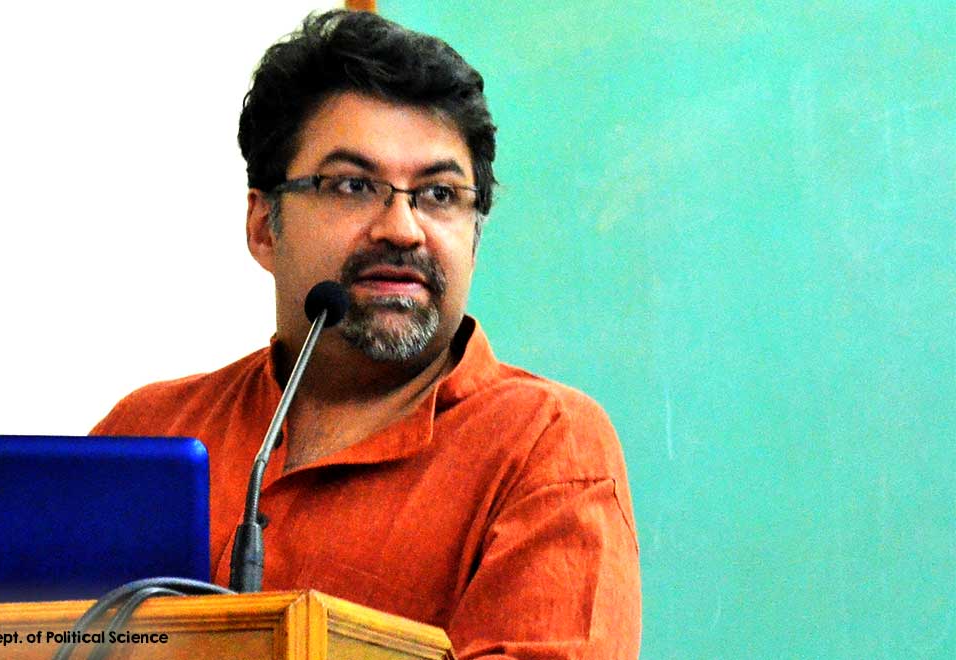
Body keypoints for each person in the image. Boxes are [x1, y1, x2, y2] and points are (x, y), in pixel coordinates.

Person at [92, 9, 640, 659]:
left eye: (439, 194)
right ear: (264, 226)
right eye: (352, 185)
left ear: (475, 238)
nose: (402, 229)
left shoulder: (546, 447)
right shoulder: (152, 431)